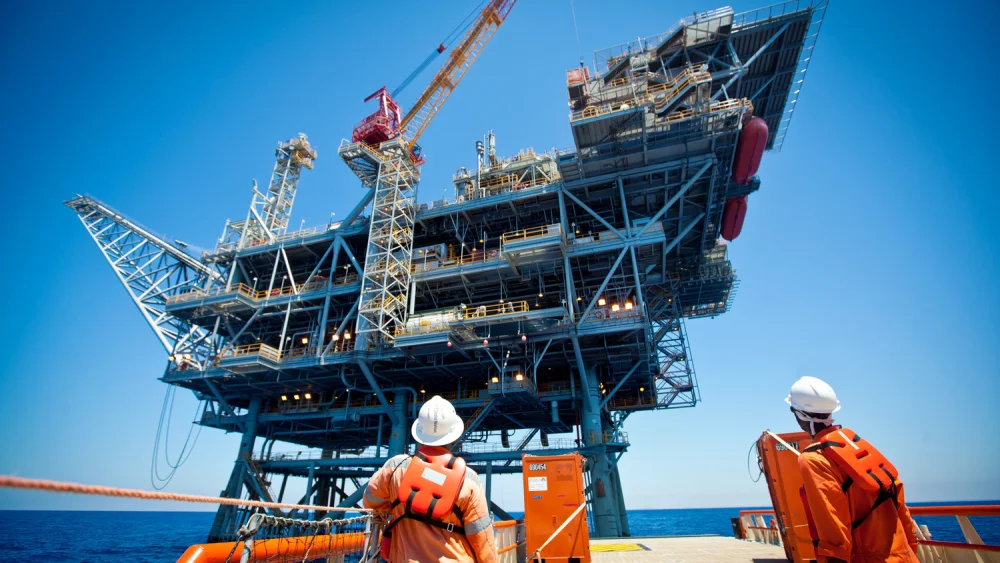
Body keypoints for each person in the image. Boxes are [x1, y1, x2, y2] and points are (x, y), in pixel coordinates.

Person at [787, 376, 920, 563]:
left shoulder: (814, 459)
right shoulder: (861, 446)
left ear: (799, 414)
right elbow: (899, 501)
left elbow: (834, 530)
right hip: (904, 555)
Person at [363, 395, 497, 563]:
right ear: (454, 435)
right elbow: (482, 539)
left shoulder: (395, 467)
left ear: (418, 432)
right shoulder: (469, 480)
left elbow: (370, 501)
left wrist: (399, 506)